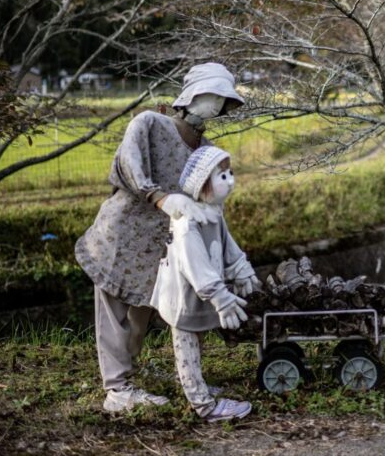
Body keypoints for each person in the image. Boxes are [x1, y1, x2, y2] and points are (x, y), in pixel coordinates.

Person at [75, 63, 245, 412]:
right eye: (212, 95)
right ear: (192, 95)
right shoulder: (150, 124)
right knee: (114, 315)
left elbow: (209, 203)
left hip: (161, 249)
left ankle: (134, 376)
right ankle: (118, 390)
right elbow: (129, 164)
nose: (217, 105)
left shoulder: (207, 150)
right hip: (121, 235)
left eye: (223, 99)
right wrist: (160, 197)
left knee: (143, 316)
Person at [151, 145, 258, 422]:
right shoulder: (188, 223)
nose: (231, 181)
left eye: (230, 173)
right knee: (186, 346)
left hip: (198, 296)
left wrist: (241, 269)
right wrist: (221, 298)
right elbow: (195, 266)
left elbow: (227, 246)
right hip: (183, 297)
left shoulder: (213, 214)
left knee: (196, 343)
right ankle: (204, 406)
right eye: (222, 176)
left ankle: (195, 385)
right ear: (202, 183)